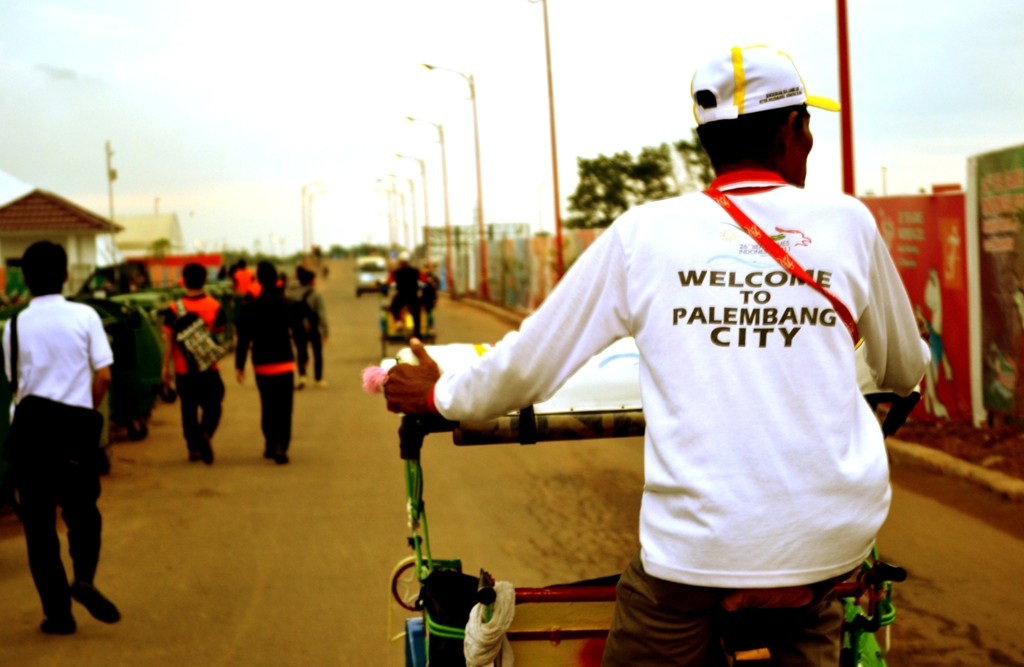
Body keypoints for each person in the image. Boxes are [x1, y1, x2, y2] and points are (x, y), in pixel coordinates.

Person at [383, 45, 930, 665]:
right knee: (817, 610)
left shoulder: (644, 234)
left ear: (707, 140)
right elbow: (904, 369)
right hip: (826, 546)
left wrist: (440, 393)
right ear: (791, 129)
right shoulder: (849, 223)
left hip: (697, 555)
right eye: (807, 126)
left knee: (662, 605)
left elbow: (531, 361)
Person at [2, 241, 121, 635]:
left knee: (39, 529)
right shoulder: (85, 316)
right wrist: (87, 409)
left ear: (25, 278)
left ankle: (58, 615)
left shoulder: (12, 327)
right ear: (67, 275)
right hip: (73, 435)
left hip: (31, 437)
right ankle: (83, 578)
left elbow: (15, 384)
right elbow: (104, 375)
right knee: (83, 513)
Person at [161, 262, 226, 464]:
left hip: (184, 370)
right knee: (214, 406)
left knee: (188, 409)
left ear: (184, 281)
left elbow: (168, 340)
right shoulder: (214, 305)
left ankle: (193, 447)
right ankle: (205, 433)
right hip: (208, 367)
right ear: (205, 280)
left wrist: (165, 367)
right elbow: (220, 330)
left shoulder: (174, 308)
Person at [234, 261, 296, 464]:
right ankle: (282, 446)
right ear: (277, 279)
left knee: (268, 405)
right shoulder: (287, 304)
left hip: (262, 364)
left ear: (258, 281)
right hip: (285, 362)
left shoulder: (249, 308)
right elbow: (299, 333)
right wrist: (304, 357)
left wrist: (239, 365)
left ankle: (271, 443)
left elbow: (243, 340)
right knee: (284, 407)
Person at [288, 266, 328, 389]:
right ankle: (318, 379)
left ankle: (302, 376)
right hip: (313, 328)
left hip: (298, 328)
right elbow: (321, 314)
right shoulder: (316, 295)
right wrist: (325, 332)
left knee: (301, 351)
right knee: (317, 353)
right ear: (311, 281)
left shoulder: (292, 294)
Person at [388, 251, 423, 339]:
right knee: (416, 313)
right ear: (408, 261)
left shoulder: (397, 272)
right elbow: (421, 283)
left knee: (393, 307)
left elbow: (392, 284)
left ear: (400, 262)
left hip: (402, 296)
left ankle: (398, 321)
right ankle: (417, 333)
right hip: (413, 297)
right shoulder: (415, 271)